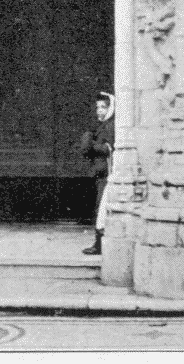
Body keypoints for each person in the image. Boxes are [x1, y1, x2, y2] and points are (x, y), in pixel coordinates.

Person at [80, 91, 115, 255]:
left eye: (103, 107)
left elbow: (108, 149)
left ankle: (100, 244)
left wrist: (89, 142)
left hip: (107, 173)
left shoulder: (110, 126)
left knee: (101, 208)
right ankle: (99, 243)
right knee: (100, 207)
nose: (100, 110)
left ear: (111, 108)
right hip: (101, 173)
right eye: (98, 107)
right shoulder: (103, 125)